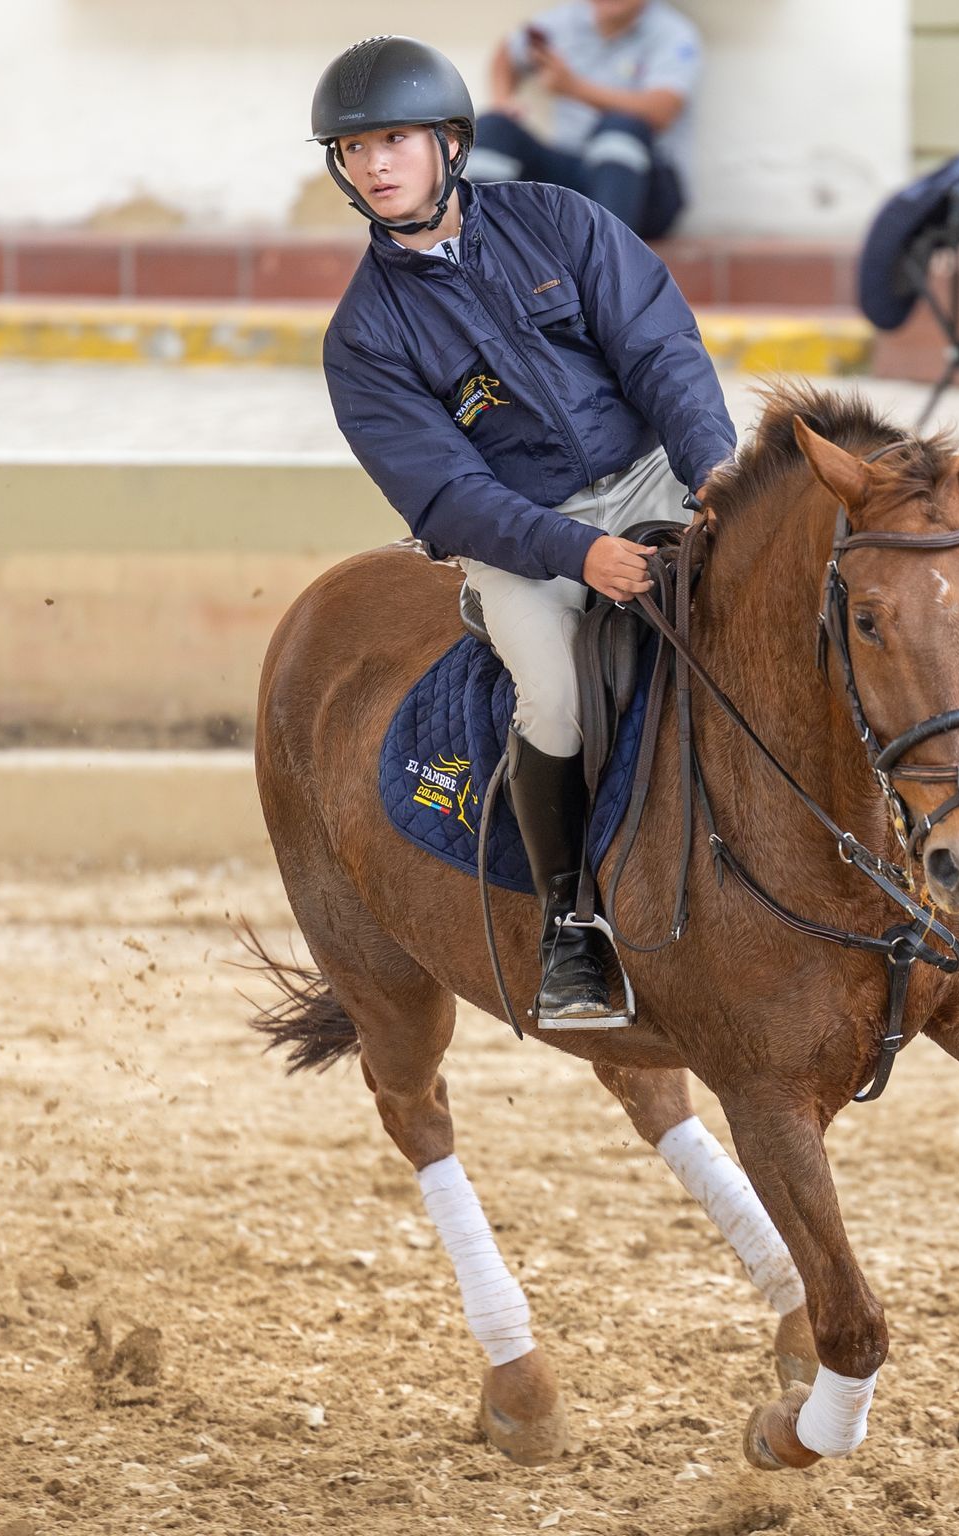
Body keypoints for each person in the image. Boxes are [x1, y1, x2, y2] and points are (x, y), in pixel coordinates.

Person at [312, 35, 735, 1025]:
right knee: (551, 696)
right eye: (354, 148)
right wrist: (575, 553)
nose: (374, 163)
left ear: (450, 143)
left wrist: (715, 474)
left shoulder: (561, 221)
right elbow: (446, 494)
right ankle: (570, 932)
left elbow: (663, 352)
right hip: (521, 541)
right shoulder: (364, 338)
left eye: (395, 140)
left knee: (795, 589)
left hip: (651, 480)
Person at [465, 0, 705, 240]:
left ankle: (610, 260)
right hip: (573, 177)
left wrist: (574, 88)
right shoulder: (564, 21)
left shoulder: (673, 32)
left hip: (645, 187)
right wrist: (503, 100)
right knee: (494, 126)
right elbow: (506, 54)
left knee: (620, 129)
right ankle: (484, 248)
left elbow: (662, 110)